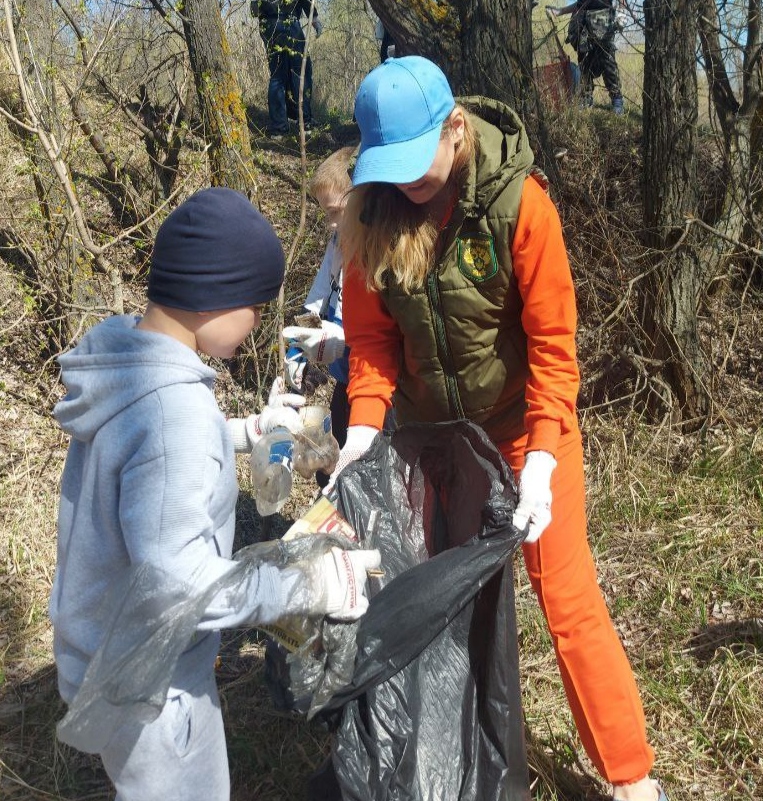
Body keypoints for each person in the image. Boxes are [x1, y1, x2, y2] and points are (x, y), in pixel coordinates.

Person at [329, 56, 667, 801]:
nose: (407, 181)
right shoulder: (373, 214)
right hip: (436, 441)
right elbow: (374, 347)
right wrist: (361, 432)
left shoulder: (520, 204)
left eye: (418, 162)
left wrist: (542, 458)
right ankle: (452, 768)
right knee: (444, 607)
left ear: (455, 128)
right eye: (389, 167)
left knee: (567, 600)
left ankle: (630, 775)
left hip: (524, 429)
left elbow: (553, 346)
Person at [49, 187, 380, 801]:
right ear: (215, 296)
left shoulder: (125, 362)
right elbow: (184, 586)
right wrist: (311, 586)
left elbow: (144, 454)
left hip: (98, 643)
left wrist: (244, 432)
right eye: (255, 304)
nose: (257, 322)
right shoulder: (176, 419)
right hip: (153, 682)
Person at [283, 147, 354, 488]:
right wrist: (298, 344)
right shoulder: (338, 243)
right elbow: (315, 303)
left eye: (335, 212)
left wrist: (339, 340)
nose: (331, 223)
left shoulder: (374, 253)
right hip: (345, 380)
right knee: (332, 464)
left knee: (359, 468)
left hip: (377, 389)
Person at [250, 0, 321, 138]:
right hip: (288, 20)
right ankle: (305, 122)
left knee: (277, 75)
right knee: (301, 72)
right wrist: (313, 16)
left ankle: (278, 127)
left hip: (268, 25)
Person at [547, 0, 627, 114]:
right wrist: (560, 12)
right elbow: (581, 2)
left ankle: (617, 101)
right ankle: (586, 99)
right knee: (584, 61)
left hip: (603, 19)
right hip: (583, 21)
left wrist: (622, 13)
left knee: (607, 59)